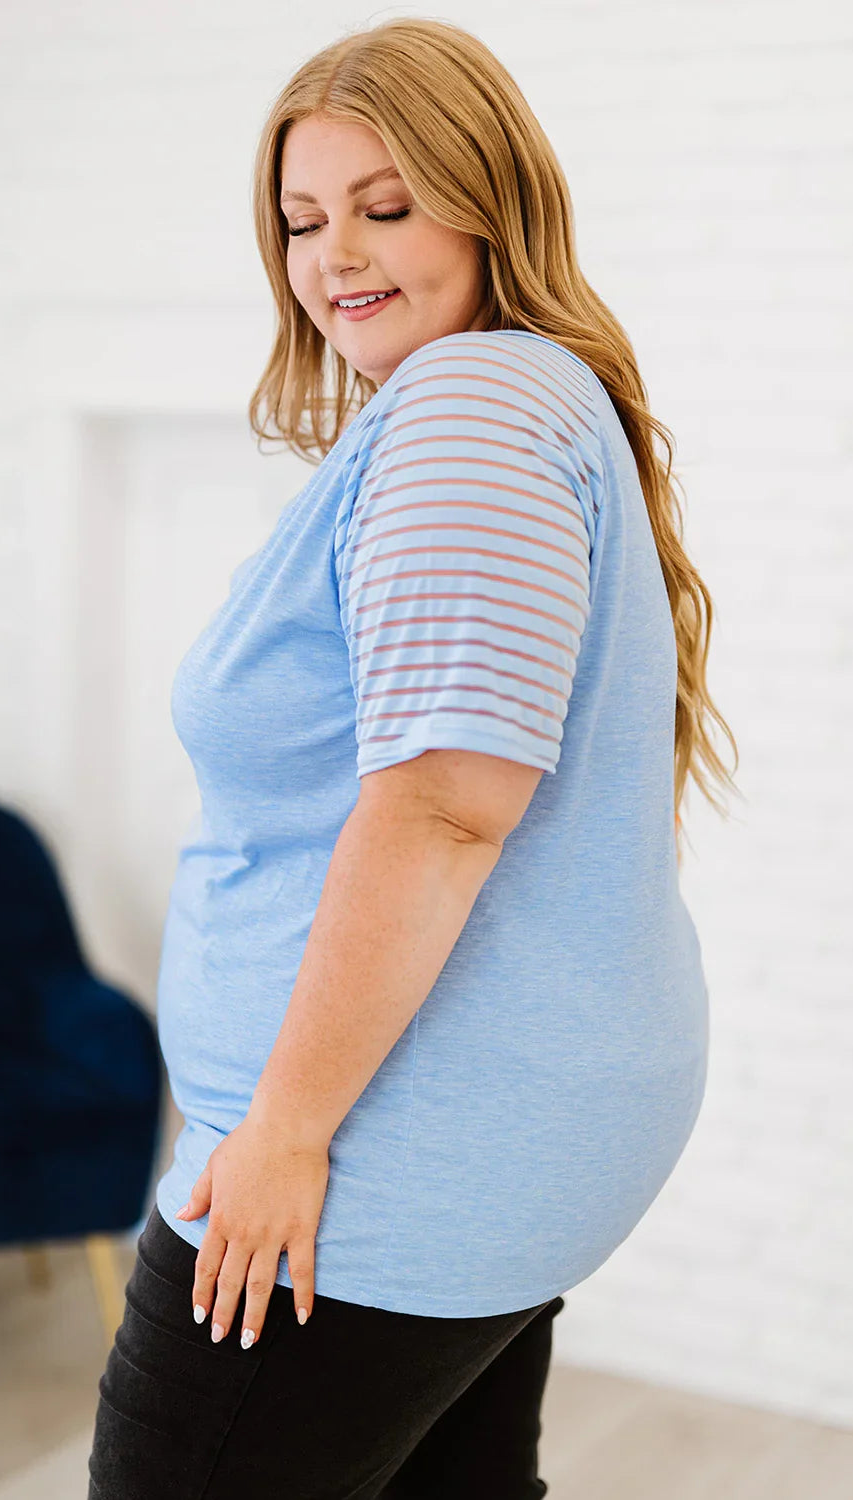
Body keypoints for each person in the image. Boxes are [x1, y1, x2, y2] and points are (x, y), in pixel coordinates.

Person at [87, 16, 739, 1500]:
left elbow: (446, 809)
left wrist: (281, 1133)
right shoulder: (522, 400)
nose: (337, 259)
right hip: (497, 1131)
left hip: (378, 1159)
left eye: (387, 206)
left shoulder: (470, 410)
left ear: (492, 196)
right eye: (304, 221)